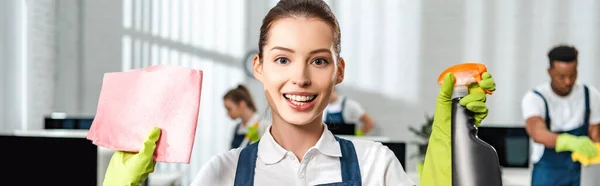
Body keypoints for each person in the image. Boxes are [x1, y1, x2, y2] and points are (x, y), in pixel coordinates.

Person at [100, 0, 496, 185]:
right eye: (283, 60)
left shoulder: (375, 166)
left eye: (319, 61)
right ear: (259, 67)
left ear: (339, 71)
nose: (301, 78)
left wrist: (451, 139)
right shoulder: (223, 173)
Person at [521, 45, 600, 186]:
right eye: (561, 76)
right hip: (546, 174)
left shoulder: (591, 95)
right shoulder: (535, 98)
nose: (568, 82)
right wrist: (571, 142)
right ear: (550, 71)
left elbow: (595, 135)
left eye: (573, 75)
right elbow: (538, 133)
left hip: (579, 174)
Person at [223, 84, 267, 149]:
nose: (227, 114)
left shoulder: (263, 125)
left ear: (242, 105)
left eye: (229, 109)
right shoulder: (236, 129)